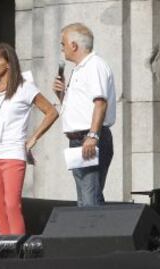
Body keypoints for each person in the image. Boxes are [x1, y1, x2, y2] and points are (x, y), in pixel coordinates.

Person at [0, 43, 58, 235]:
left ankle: (18, 248)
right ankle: (6, 248)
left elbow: (51, 112)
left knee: (11, 204)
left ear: (8, 63)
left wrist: (33, 138)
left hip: (13, 152)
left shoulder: (24, 88)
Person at [53, 23, 116, 207]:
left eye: (63, 43)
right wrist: (62, 94)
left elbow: (100, 102)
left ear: (74, 45)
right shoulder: (79, 69)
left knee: (90, 198)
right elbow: (81, 107)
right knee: (85, 199)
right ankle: (94, 233)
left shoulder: (94, 65)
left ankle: (97, 234)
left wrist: (93, 135)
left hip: (89, 138)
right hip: (78, 139)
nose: (62, 48)